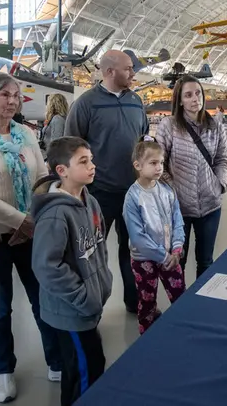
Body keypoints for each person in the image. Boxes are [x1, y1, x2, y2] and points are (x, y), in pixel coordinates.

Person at [0, 73, 62, 402]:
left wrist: (34, 219)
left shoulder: (25, 133)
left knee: (44, 298)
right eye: (4, 94)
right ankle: (3, 369)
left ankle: (56, 357)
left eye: (16, 95)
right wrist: (20, 220)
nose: (12, 101)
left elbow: (41, 178)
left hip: (31, 233)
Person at [65, 49, 148, 314]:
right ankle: (91, 306)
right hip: (99, 193)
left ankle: (135, 302)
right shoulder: (86, 103)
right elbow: (71, 146)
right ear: (110, 71)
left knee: (133, 249)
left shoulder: (136, 101)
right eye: (127, 68)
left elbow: (144, 137)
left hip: (133, 193)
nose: (133, 73)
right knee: (93, 253)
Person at [31, 137, 112, 406]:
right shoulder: (55, 215)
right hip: (70, 311)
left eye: (91, 159)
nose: (93, 166)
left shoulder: (91, 202)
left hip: (87, 306)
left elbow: (99, 247)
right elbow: (46, 266)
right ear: (62, 171)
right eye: (83, 161)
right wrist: (83, 297)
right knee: (85, 372)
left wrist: (104, 282)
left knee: (83, 366)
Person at [156, 75, 227, 277]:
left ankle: (201, 305)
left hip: (211, 205)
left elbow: (222, 158)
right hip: (179, 208)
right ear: (179, 100)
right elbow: (159, 163)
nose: (195, 98)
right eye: (188, 95)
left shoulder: (215, 126)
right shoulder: (168, 126)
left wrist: (219, 184)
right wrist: (174, 190)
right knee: (178, 261)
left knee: (206, 262)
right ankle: (181, 305)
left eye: (198, 93)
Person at [123, 138, 186, 334]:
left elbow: (178, 220)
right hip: (144, 260)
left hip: (170, 256)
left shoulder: (167, 190)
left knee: (180, 295)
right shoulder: (132, 197)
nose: (159, 168)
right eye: (153, 163)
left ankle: (184, 329)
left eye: (161, 162)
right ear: (138, 166)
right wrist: (164, 256)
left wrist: (176, 248)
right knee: (147, 299)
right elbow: (138, 238)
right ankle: (147, 333)